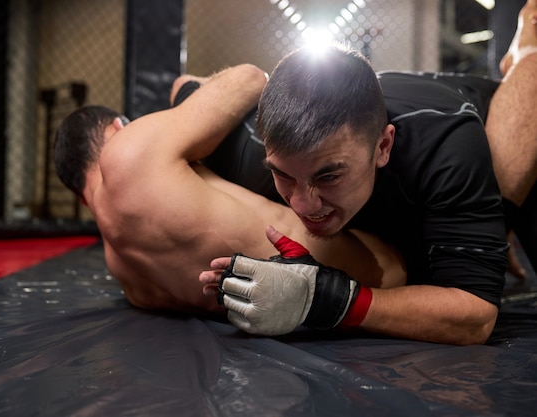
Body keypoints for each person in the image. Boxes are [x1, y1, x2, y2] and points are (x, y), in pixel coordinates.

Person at [201, 1, 537, 345]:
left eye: (329, 176)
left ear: (383, 147)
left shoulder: (445, 147)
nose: (301, 205)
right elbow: (184, 84)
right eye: (284, 176)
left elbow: (475, 317)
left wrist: (333, 301)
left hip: (492, 125)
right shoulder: (249, 145)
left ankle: (527, 51)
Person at [53, 64, 407, 317]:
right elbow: (251, 79)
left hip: (317, 311)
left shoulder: (127, 278)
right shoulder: (128, 150)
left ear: (81, 197)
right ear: (120, 127)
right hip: (386, 273)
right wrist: (191, 86)